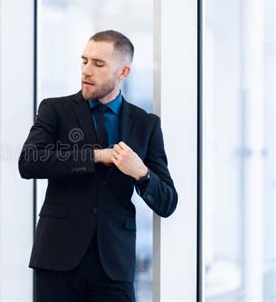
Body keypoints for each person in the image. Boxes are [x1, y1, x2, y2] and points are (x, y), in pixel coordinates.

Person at [18, 30, 178, 302]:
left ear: (123, 72)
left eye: (98, 64)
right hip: (57, 259)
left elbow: (168, 202)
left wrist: (140, 172)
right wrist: (96, 156)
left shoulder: (145, 124)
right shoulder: (55, 110)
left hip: (114, 265)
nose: (86, 71)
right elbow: (29, 162)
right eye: (84, 61)